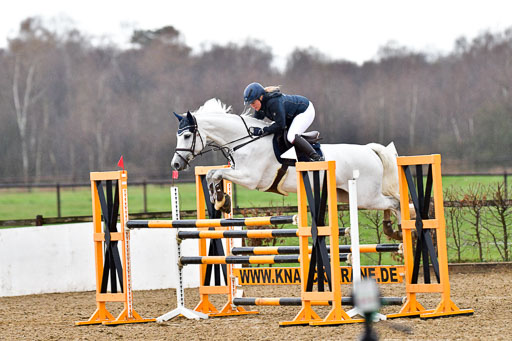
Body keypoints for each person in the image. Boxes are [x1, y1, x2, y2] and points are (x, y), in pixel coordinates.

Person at [243, 82, 323, 161]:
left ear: (260, 97)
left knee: (291, 137)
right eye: (250, 104)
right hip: (291, 115)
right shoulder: (260, 105)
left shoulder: (273, 102)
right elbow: (255, 121)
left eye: (253, 102)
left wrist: (263, 130)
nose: (252, 106)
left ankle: (316, 157)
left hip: (305, 110)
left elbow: (280, 125)